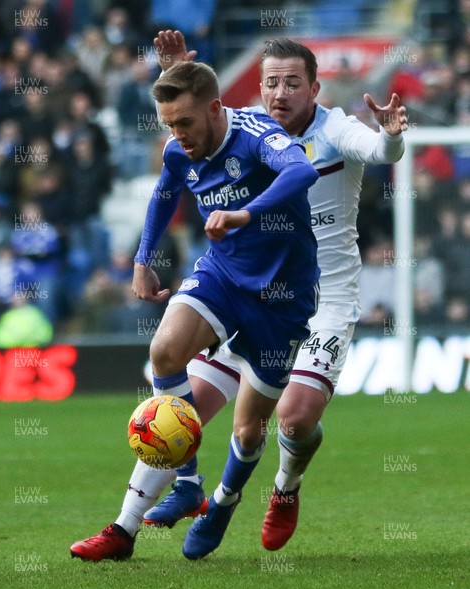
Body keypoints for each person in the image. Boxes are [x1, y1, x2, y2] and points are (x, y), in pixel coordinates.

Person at [70, 32, 406, 561]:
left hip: (320, 297)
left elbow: (379, 150)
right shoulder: (246, 125)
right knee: (179, 409)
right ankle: (126, 526)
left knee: (287, 422)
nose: (279, 92)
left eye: (292, 83)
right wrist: (178, 77)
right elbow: (204, 119)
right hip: (240, 280)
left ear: (314, 88)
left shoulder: (336, 128)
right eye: (270, 81)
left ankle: (277, 488)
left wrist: (389, 137)